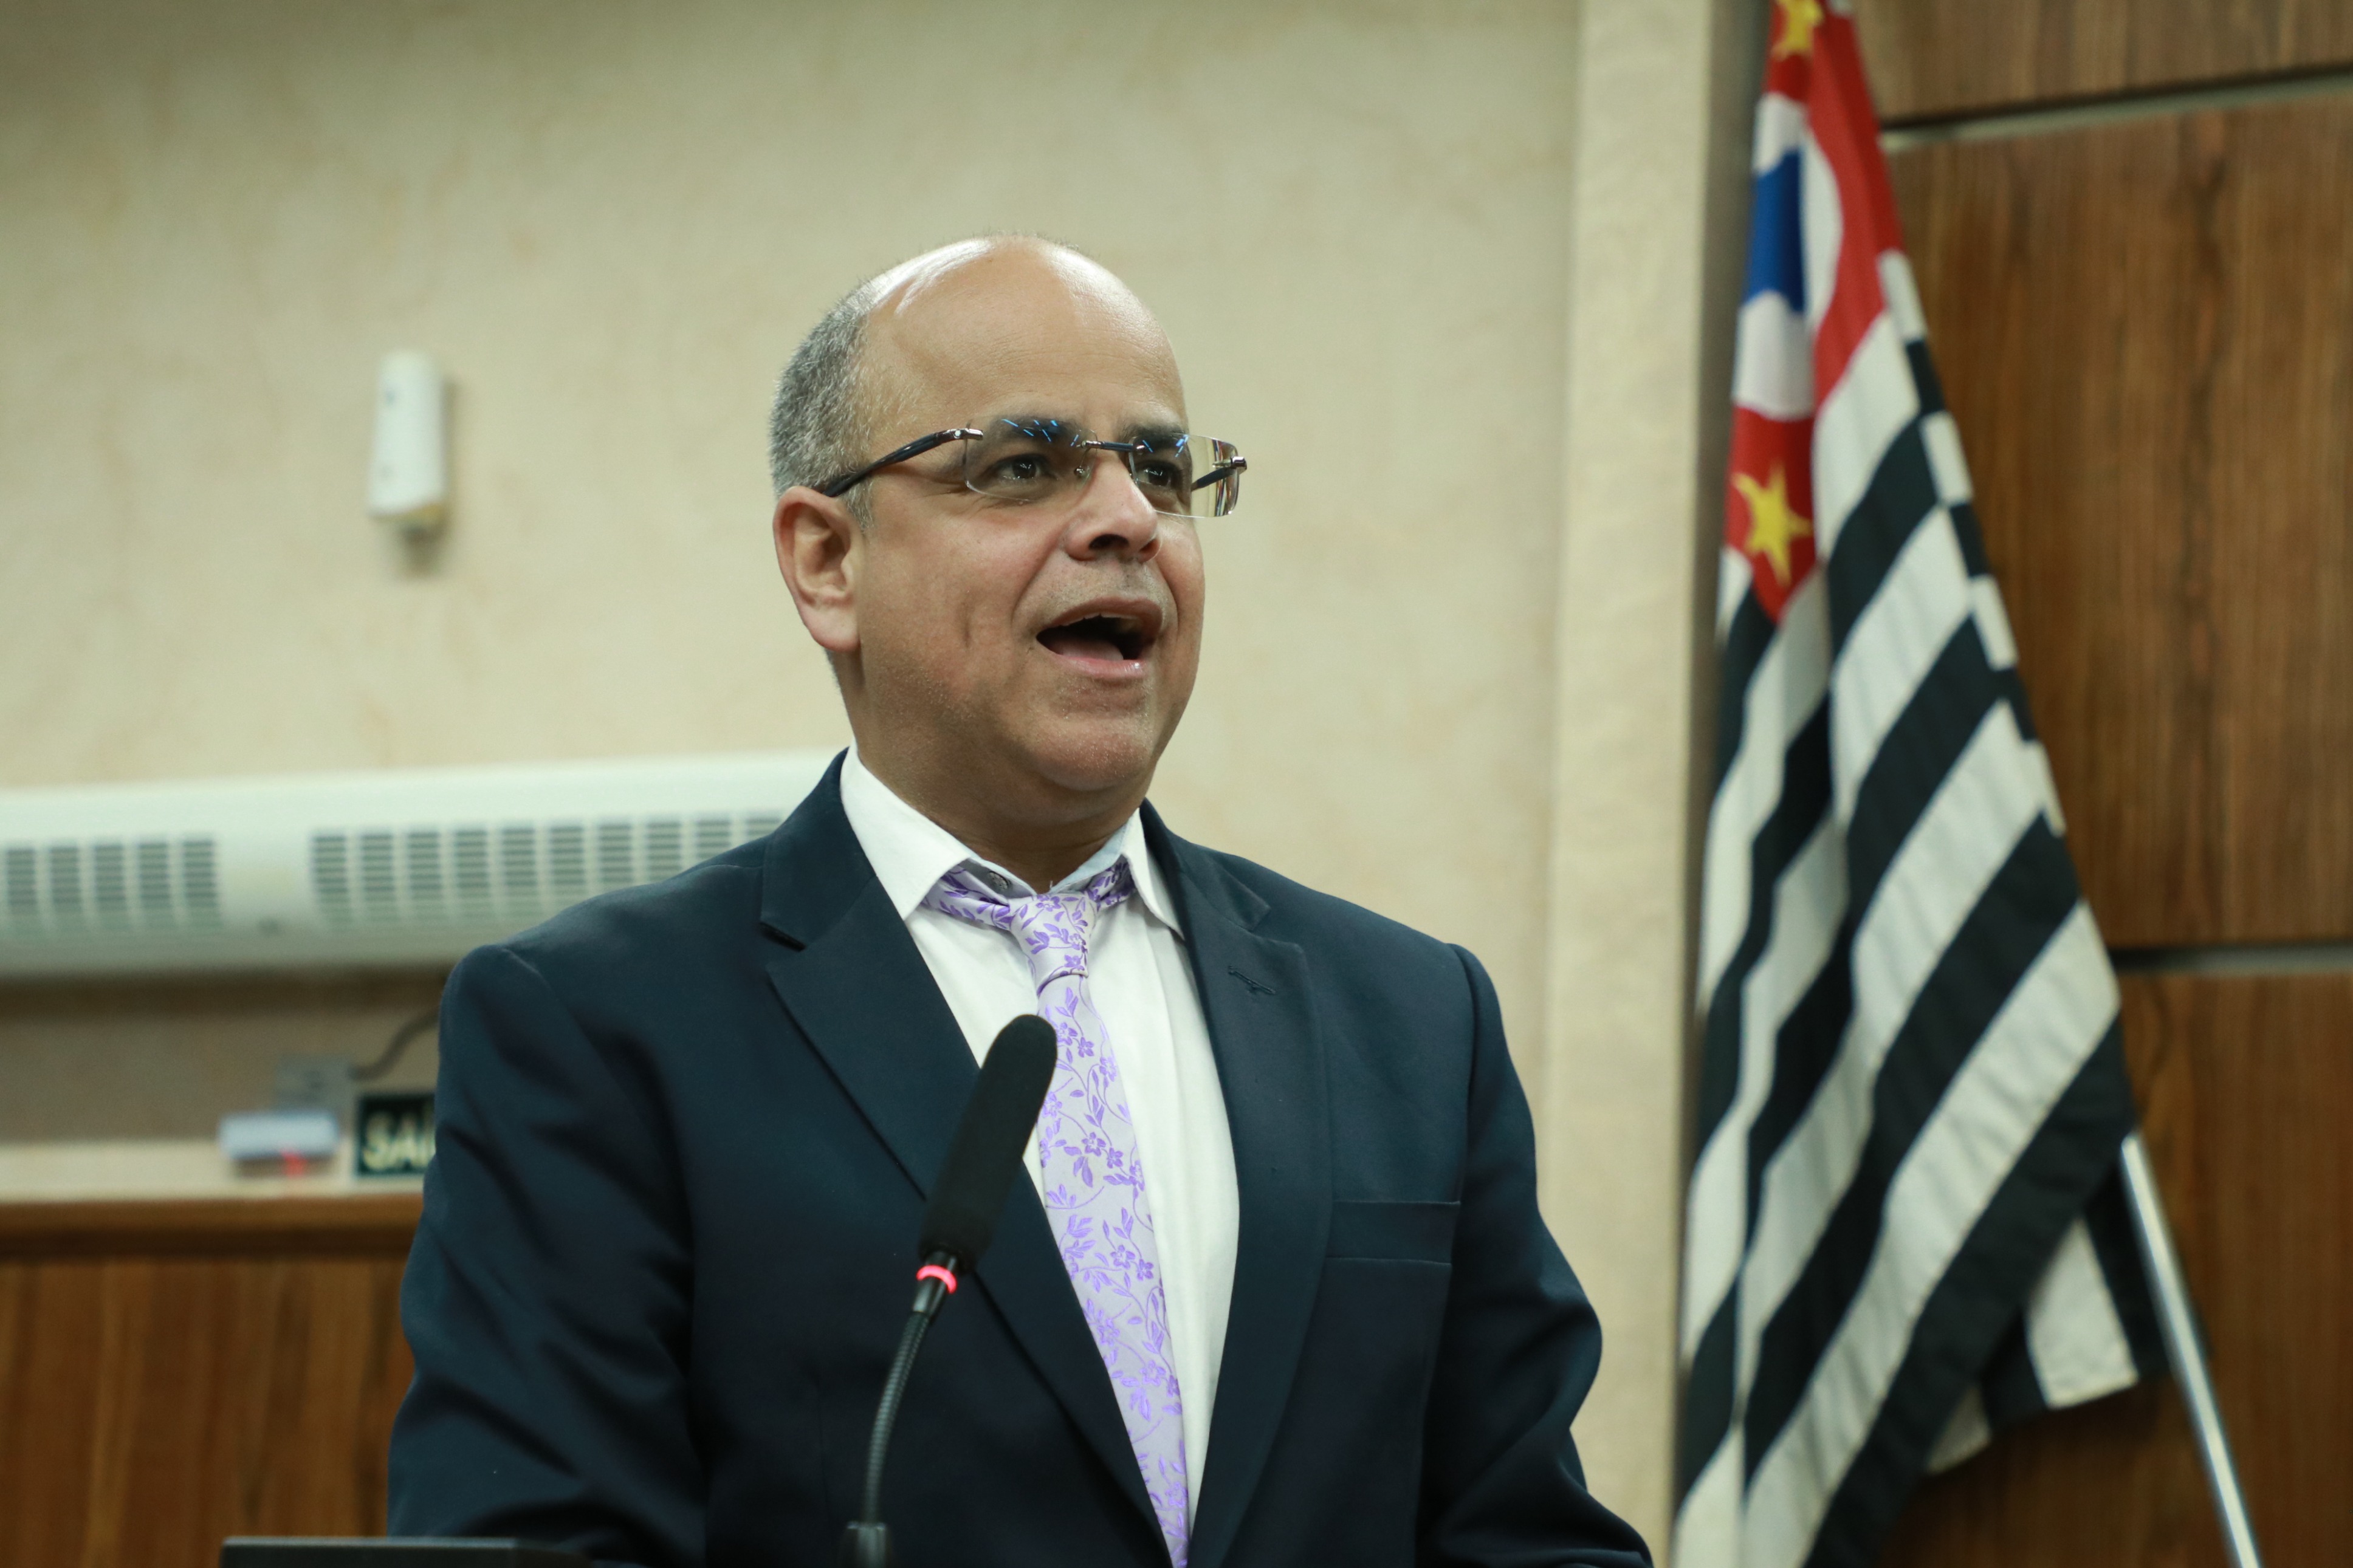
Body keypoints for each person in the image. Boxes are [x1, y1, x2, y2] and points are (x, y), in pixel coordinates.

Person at [388, 236, 1651, 1568]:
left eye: (1161, 470)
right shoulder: (598, 1028)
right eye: (1024, 466)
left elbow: (1526, 1537)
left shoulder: (1414, 1019)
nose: (1127, 520)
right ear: (828, 561)